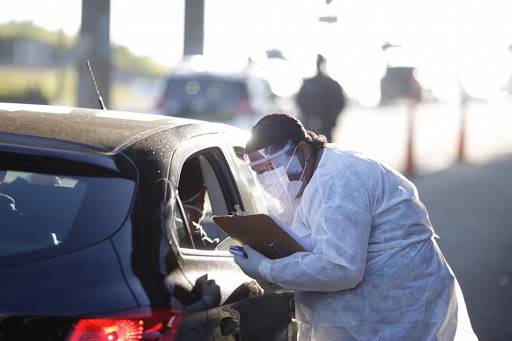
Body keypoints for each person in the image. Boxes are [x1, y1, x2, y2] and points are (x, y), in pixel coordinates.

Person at [233, 113, 477, 340]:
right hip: (370, 317)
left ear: (304, 150)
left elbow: (340, 268)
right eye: (259, 172)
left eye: (271, 168)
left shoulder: (342, 178)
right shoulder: (307, 179)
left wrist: (267, 268)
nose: (268, 179)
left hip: (399, 313)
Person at [296, 54, 345, 142]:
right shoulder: (308, 83)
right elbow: (300, 101)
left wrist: (332, 119)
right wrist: (308, 117)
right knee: (308, 149)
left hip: (326, 124)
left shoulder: (332, 84)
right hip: (309, 124)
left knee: (326, 149)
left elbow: (340, 103)